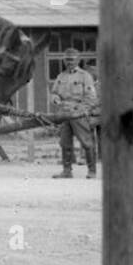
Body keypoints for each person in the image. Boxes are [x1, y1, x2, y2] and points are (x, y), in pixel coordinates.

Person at [50, 47, 99, 179]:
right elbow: (54, 93)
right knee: (65, 143)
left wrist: (82, 111)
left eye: (71, 60)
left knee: (86, 142)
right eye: (66, 60)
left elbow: (91, 97)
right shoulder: (61, 76)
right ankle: (67, 171)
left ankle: (92, 171)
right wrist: (55, 98)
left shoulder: (85, 76)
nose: (69, 62)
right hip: (64, 113)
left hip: (79, 114)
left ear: (78, 60)